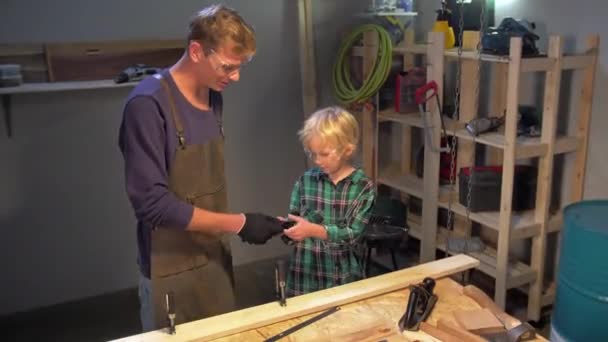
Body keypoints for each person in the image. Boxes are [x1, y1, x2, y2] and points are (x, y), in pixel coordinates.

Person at [118, 5, 284, 331]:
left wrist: (238, 226)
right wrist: (239, 223)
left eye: (240, 67)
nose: (235, 77)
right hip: (169, 264)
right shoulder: (147, 105)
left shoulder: (213, 96)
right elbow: (152, 204)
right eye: (227, 66)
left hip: (213, 254)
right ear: (196, 51)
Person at [281, 106, 377, 296]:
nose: (317, 160)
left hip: (341, 278)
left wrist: (314, 230)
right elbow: (294, 220)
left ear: (348, 149)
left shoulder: (362, 187)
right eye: (312, 153)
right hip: (305, 275)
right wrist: (284, 228)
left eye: (324, 154)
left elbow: (353, 235)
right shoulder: (305, 180)